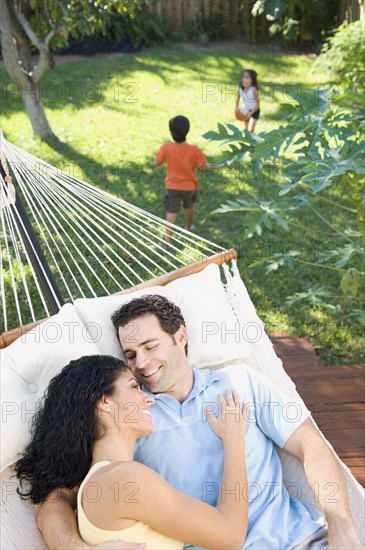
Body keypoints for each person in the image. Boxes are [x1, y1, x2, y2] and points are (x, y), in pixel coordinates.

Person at [36, 295, 363, 550]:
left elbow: (310, 444)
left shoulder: (240, 382)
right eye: (131, 354)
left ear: (180, 335)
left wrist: (342, 525)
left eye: (150, 346)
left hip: (299, 539)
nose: (142, 363)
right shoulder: (134, 420)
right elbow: (57, 498)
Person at [16, 355, 248, 549]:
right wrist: (234, 438)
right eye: (134, 386)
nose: (149, 399)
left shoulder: (98, 481)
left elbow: (52, 503)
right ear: (104, 401)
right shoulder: (125, 479)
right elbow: (231, 535)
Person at [154, 115, 218, 244]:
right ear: (187, 130)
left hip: (172, 187)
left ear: (171, 132)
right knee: (189, 207)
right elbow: (203, 168)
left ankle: (167, 240)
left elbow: (157, 163)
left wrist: (156, 158)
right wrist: (216, 166)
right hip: (190, 187)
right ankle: (188, 228)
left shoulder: (166, 147)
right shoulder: (194, 150)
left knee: (171, 212)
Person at [235, 70, 260, 134]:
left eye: (247, 77)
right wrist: (237, 109)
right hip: (246, 110)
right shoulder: (240, 89)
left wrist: (250, 113)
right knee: (247, 130)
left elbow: (257, 104)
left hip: (254, 111)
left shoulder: (253, 90)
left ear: (252, 80)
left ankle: (253, 142)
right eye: (243, 77)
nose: (244, 79)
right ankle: (250, 142)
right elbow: (237, 100)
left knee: (251, 129)